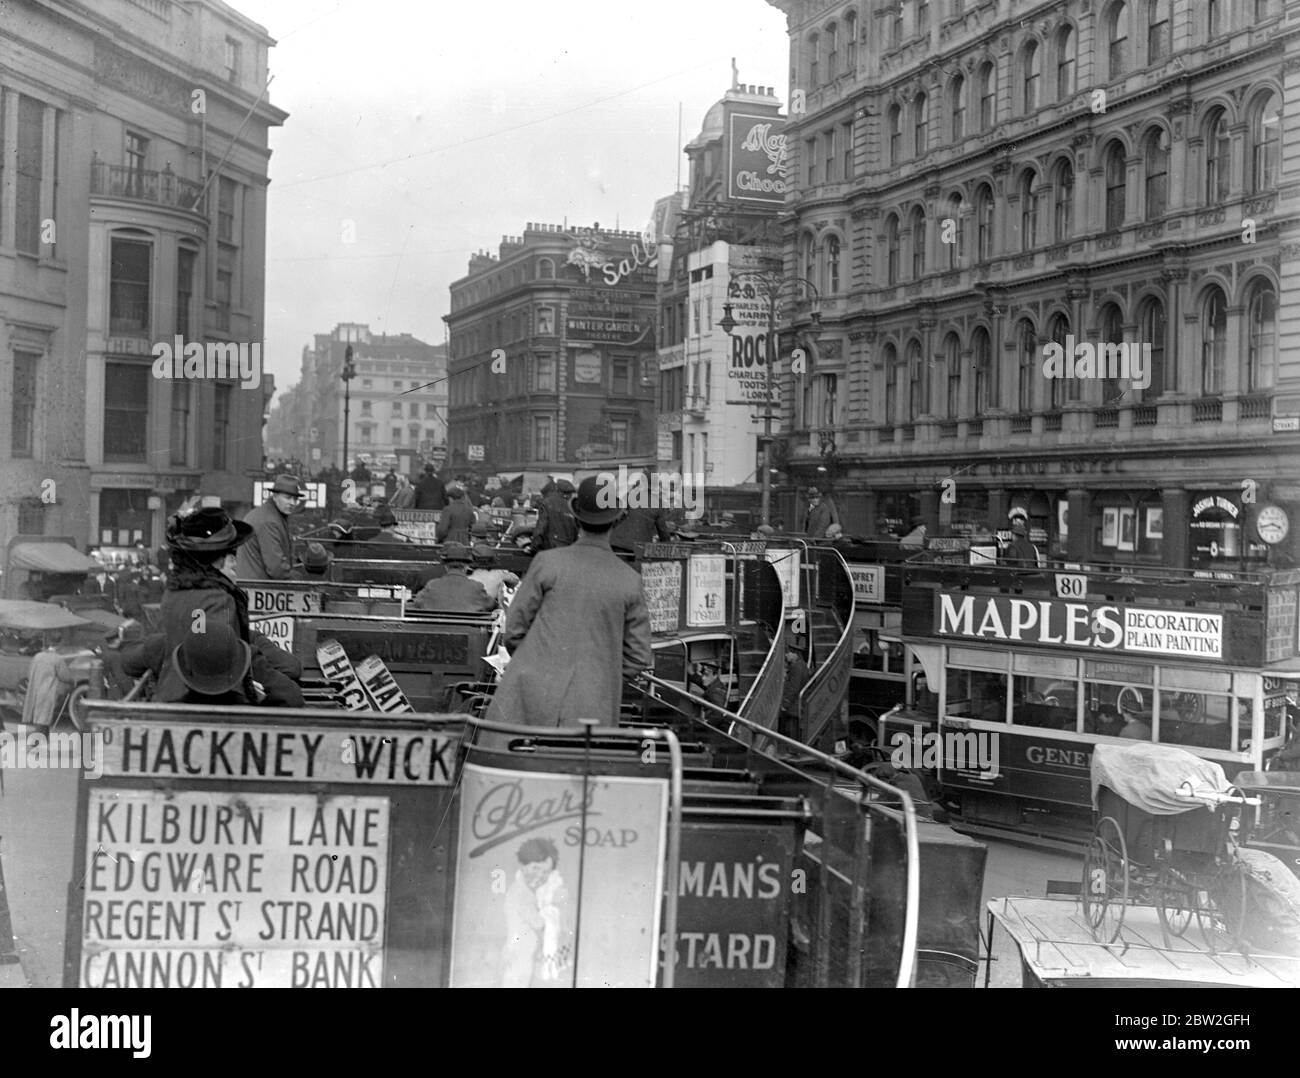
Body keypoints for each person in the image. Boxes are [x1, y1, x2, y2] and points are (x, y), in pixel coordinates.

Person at [486, 475, 653, 728]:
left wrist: (537, 662)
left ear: (576, 517)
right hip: (592, 710)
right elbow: (639, 655)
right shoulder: (630, 580)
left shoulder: (547, 563)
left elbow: (514, 629)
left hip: (531, 698)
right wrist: (600, 676)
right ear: (616, 520)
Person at [152, 507, 304, 706]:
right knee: (291, 696)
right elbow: (218, 656)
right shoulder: (219, 600)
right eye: (228, 553)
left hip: (171, 691)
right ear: (209, 562)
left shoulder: (173, 593)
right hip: (210, 696)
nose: (235, 560)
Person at [501, 837, 572, 987]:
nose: (540, 876)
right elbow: (540, 925)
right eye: (535, 868)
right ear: (522, 865)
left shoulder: (531, 892)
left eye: (546, 872)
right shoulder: (521, 894)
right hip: (519, 957)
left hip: (525, 956)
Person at [237, 474, 306, 581]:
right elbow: (276, 569)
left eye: (295, 499)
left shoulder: (266, 514)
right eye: (287, 498)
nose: (292, 503)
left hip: (253, 586)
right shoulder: (269, 521)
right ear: (275, 496)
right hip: (259, 588)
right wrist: (299, 578)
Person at [411, 542, 495, 613]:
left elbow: (417, 602)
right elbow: (492, 604)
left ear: (446, 567)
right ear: (466, 567)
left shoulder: (432, 584)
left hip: (436, 629)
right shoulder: (476, 587)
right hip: (467, 630)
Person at [531, 479, 578, 552]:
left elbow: (541, 527)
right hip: (568, 549)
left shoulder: (547, 503)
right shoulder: (573, 506)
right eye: (570, 494)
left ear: (558, 490)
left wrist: (533, 546)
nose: (571, 496)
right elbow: (576, 532)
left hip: (550, 547)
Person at [468, 543, 520, 608]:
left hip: (468, 607)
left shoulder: (466, 574)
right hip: (490, 609)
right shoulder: (499, 573)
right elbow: (515, 581)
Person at [779, 643, 811, 739]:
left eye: (788, 653)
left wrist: (785, 703)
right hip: (797, 703)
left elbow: (794, 687)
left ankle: (793, 751)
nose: (786, 655)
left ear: (795, 654)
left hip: (794, 704)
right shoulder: (801, 665)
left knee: (792, 728)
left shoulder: (796, 667)